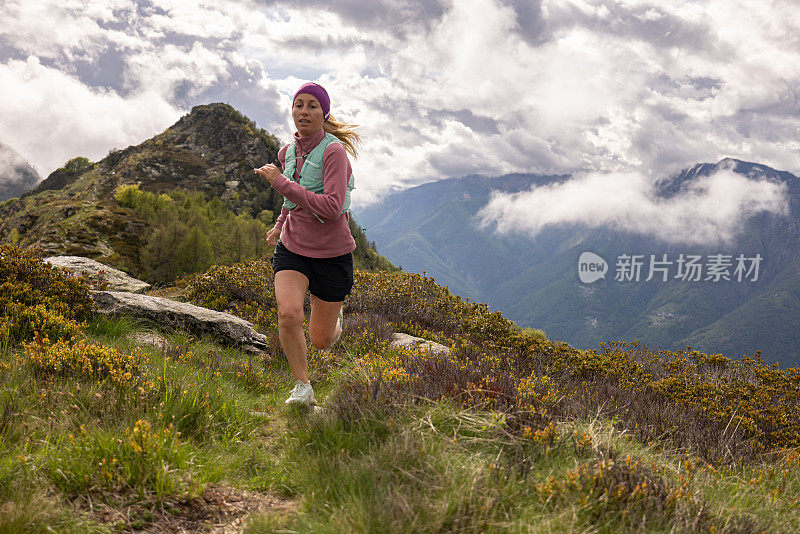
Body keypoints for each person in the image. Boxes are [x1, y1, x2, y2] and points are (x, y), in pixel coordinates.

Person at [253, 82, 360, 406]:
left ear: (324, 113)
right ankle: (302, 387)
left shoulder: (333, 152)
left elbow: (331, 206)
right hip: (293, 248)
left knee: (321, 340)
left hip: (332, 254)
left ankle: (334, 323)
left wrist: (280, 183)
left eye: (312, 105)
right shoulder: (287, 152)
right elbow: (292, 200)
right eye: (299, 104)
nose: (304, 111)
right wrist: (280, 224)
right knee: (287, 314)